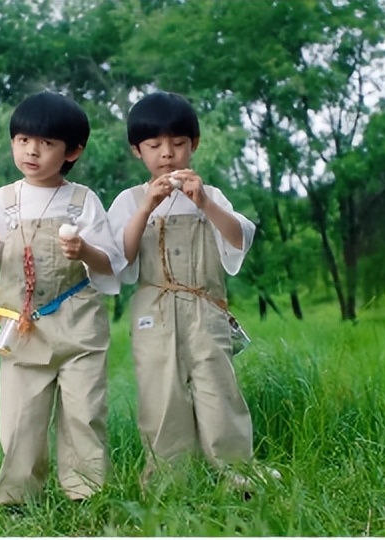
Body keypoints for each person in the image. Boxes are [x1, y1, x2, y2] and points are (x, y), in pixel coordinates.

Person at [0, 91, 126, 506]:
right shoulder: (3, 201)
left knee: (85, 413)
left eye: (46, 143)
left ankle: (87, 495)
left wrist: (84, 252)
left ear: (73, 151)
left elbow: (110, 263)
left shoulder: (82, 202)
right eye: (23, 139)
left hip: (79, 327)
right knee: (19, 419)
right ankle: (18, 498)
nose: (32, 150)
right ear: (13, 142)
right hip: (21, 329)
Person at [107, 91, 261, 487]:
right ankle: (167, 480)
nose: (167, 155)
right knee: (161, 395)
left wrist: (205, 202)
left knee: (217, 388)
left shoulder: (209, 196)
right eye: (154, 145)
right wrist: (146, 208)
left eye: (178, 144)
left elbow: (240, 239)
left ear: (194, 145)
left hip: (205, 307)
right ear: (136, 151)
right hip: (152, 311)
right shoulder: (129, 200)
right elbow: (119, 258)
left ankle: (236, 474)